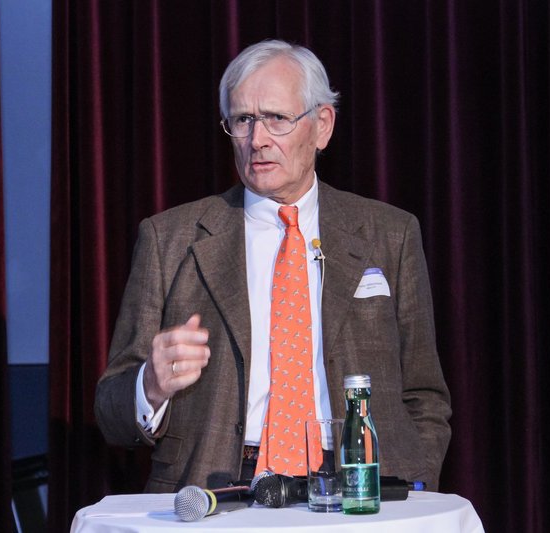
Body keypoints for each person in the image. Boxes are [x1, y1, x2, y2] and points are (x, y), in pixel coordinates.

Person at [95, 39, 451, 492]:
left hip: (361, 489)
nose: (257, 140)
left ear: (322, 126)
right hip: (218, 490)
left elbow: (424, 395)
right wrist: (150, 385)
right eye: (243, 120)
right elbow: (111, 411)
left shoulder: (389, 234)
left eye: (277, 119)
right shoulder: (170, 239)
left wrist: (416, 481)